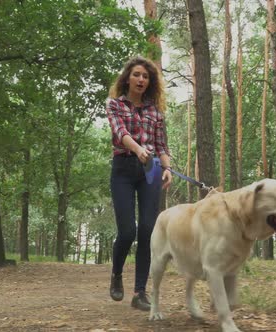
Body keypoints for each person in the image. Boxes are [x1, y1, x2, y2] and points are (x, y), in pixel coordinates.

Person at [105, 56, 172, 311]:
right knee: (127, 231)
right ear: (127, 78)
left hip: (150, 171)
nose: (141, 80)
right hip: (123, 169)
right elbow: (119, 133)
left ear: (150, 81)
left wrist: (166, 168)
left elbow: (162, 146)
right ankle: (116, 274)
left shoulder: (155, 112)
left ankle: (140, 292)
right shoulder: (115, 105)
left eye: (145, 76)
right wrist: (137, 149)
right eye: (136, 75)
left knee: (147, 230)